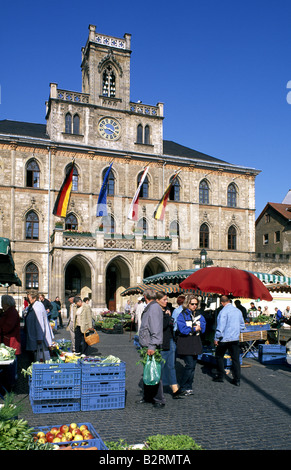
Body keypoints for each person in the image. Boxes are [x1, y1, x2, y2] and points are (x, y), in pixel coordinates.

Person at [137, 288, 165, 408]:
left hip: (150, 345)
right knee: (148, 371)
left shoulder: (154, 308)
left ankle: (159, 399)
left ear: (145, 296)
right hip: (146, 344)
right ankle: (148, 396)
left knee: (154, 372)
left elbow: (156, 329)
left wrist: (152, 346)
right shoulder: (152, 307)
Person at [175, 295, 206, 397]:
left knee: (193, 367)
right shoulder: (182, 315)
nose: (194, 306)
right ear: (187, 304)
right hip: (186, 343)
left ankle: (189, 387)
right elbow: (182, 329)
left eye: (196, 304)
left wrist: (200, 327)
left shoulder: (199, 315)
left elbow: (204, 328)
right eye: (192, 304)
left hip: (195, 342)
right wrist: (194, 328)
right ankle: (183, 387)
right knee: (189, 365)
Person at [213, 295, 245, 386]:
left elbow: (220, 327)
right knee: (235, 359)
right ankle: (237, 379)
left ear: (222, 302)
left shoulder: (223, 312)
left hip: (224, 339)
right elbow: (242, 325)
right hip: (235, 339)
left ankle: (221, 375)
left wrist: (216, 338)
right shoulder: (238, 311)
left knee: (219, 356)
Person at [155, 292, 180, 399]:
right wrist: (167, 317)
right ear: (157, 300)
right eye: (164, 300)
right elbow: (162, 326)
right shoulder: (156, 311)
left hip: (170, 340)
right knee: (161, 366)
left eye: (166, 299)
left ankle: (175, 388)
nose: (166, 301)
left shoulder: (167, 309)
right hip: (162, 342)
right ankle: (157, 389)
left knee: (171, 365)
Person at [25, 291, 54, 362]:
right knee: (36, 355)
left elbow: (40, 323)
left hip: (37, 337)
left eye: (28, 297)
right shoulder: (33, 306)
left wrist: (39, 338)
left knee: (39, 356)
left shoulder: (38, 307)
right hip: (33, 335)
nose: (27, 299)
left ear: (34, 298)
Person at [0, 295, 21, 390]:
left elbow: (7, 327)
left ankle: (11, 384)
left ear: (6, 303)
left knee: (11, 364)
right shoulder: (9, 311)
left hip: (11, 342)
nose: (1, 305)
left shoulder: (11, 312)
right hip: (8, 341)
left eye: (2, 303)